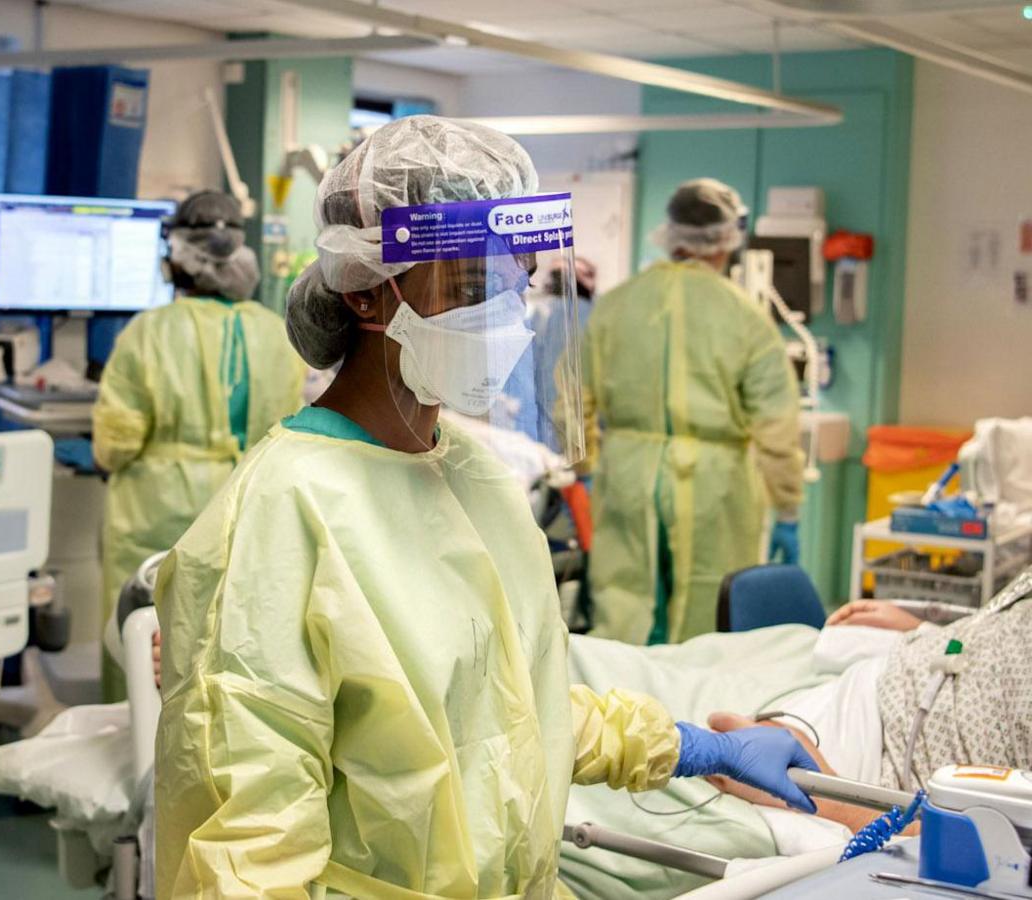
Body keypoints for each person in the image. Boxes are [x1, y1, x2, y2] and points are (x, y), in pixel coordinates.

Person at [153, 116, 818, 898]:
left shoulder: (471, 476)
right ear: (369, 294)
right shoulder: (278, 520)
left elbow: (505, 704)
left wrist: (687, 745)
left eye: (517, 283)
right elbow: (249, 852)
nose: (503, 316)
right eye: (473, 287)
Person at [92, 190, 305, 699]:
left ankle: (136, 754)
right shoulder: (277, 333)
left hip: (155, 516)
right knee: (224, 650)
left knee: (142, 646)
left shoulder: (148, 332)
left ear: (176, 258)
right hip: (242, 512)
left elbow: (116, 444)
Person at [583, 178, 804, 645]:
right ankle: (693, 714)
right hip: (714, 485)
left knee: (624, 607)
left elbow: (573, 397)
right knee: (708, 613)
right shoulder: (744, 315)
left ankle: (617, 714)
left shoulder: (615, 305)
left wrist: (585, 469)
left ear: (671, 233)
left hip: (627, 474)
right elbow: (775, 425)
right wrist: (787, 507)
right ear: (727, 239)